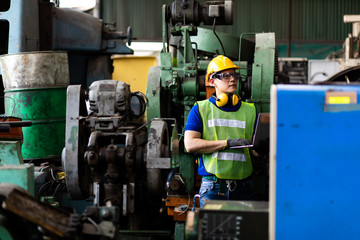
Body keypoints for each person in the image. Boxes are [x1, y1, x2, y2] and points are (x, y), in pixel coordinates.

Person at [184, 55, 257, 207]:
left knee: (244, 231)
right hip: (214, 186)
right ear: (212, 81)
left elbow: (255, 146)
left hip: (244, 186)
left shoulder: (250, 110)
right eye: (226, 76)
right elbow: (190, 144)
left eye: (235, 75)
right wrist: (227, 143)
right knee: (211, 231)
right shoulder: (200, 109)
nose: (232, 79)